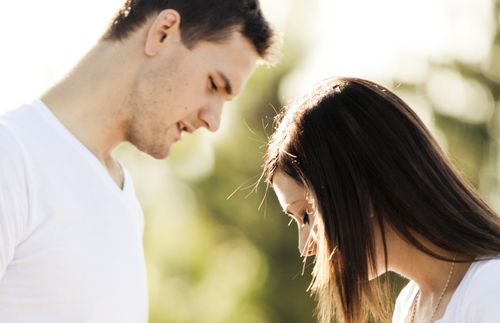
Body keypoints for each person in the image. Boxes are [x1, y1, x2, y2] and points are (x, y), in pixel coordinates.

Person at [0, 0, 275, 322]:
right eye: (214, 84)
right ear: (162, 33)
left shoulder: (123, 198)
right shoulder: (13, 155)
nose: (213, 121)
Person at [262, 77, 500, 323]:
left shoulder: (490, 288)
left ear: (362, 191)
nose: (305, 247)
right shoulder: (409, 306)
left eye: (307, 214)